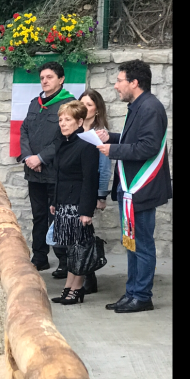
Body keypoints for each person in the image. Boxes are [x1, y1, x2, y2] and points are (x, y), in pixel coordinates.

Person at [95, 59, 170, 314]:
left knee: (143, 244)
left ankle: (142, 296)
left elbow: (148, 147)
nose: (116, 86)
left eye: (119, 81)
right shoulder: (138, 105)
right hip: (131, 190)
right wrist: (112, 138)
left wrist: (113, 150)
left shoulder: (150, 108)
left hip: (142, 188)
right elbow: (133, 140)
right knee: (131, 243)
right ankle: (132, 293)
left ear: (134, 82)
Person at [19, 61, 76, 275]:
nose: (44, 81)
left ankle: (63, 260)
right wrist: (28, 157)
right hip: (34, 172)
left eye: (49, 77)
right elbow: (24, 131)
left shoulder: (69, 104)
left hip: (55, 173)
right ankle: (40, 256)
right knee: (39, 216)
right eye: (42, 77)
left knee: (58, 217)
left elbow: (64, 138)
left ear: (61, 79)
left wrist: (41, 158)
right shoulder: (35, 103)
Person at [47, 101, 101, 305]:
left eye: (68, 119)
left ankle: (77, 289)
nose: (63, 123)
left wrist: (86, 211)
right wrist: (54, 201)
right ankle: (68, 287)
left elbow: (90, 180)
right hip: (63, 203)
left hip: (78, 205)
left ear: (79, 122)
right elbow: (58, 175)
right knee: (71, 248)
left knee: (79, 248)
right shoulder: (63, 142)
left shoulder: (87, 144)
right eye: (61, 119)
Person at [75, 89, 113, 295]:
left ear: (97, 110)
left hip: (89, 191)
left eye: (89, 105)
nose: (84, 108)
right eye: (82, 103)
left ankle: (88, 276)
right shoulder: (74, 129)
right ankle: (76, 272)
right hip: (73, 189)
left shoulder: (100, 134)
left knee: (84, 234)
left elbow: (104, 167)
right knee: (74, 234)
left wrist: (100, 195)